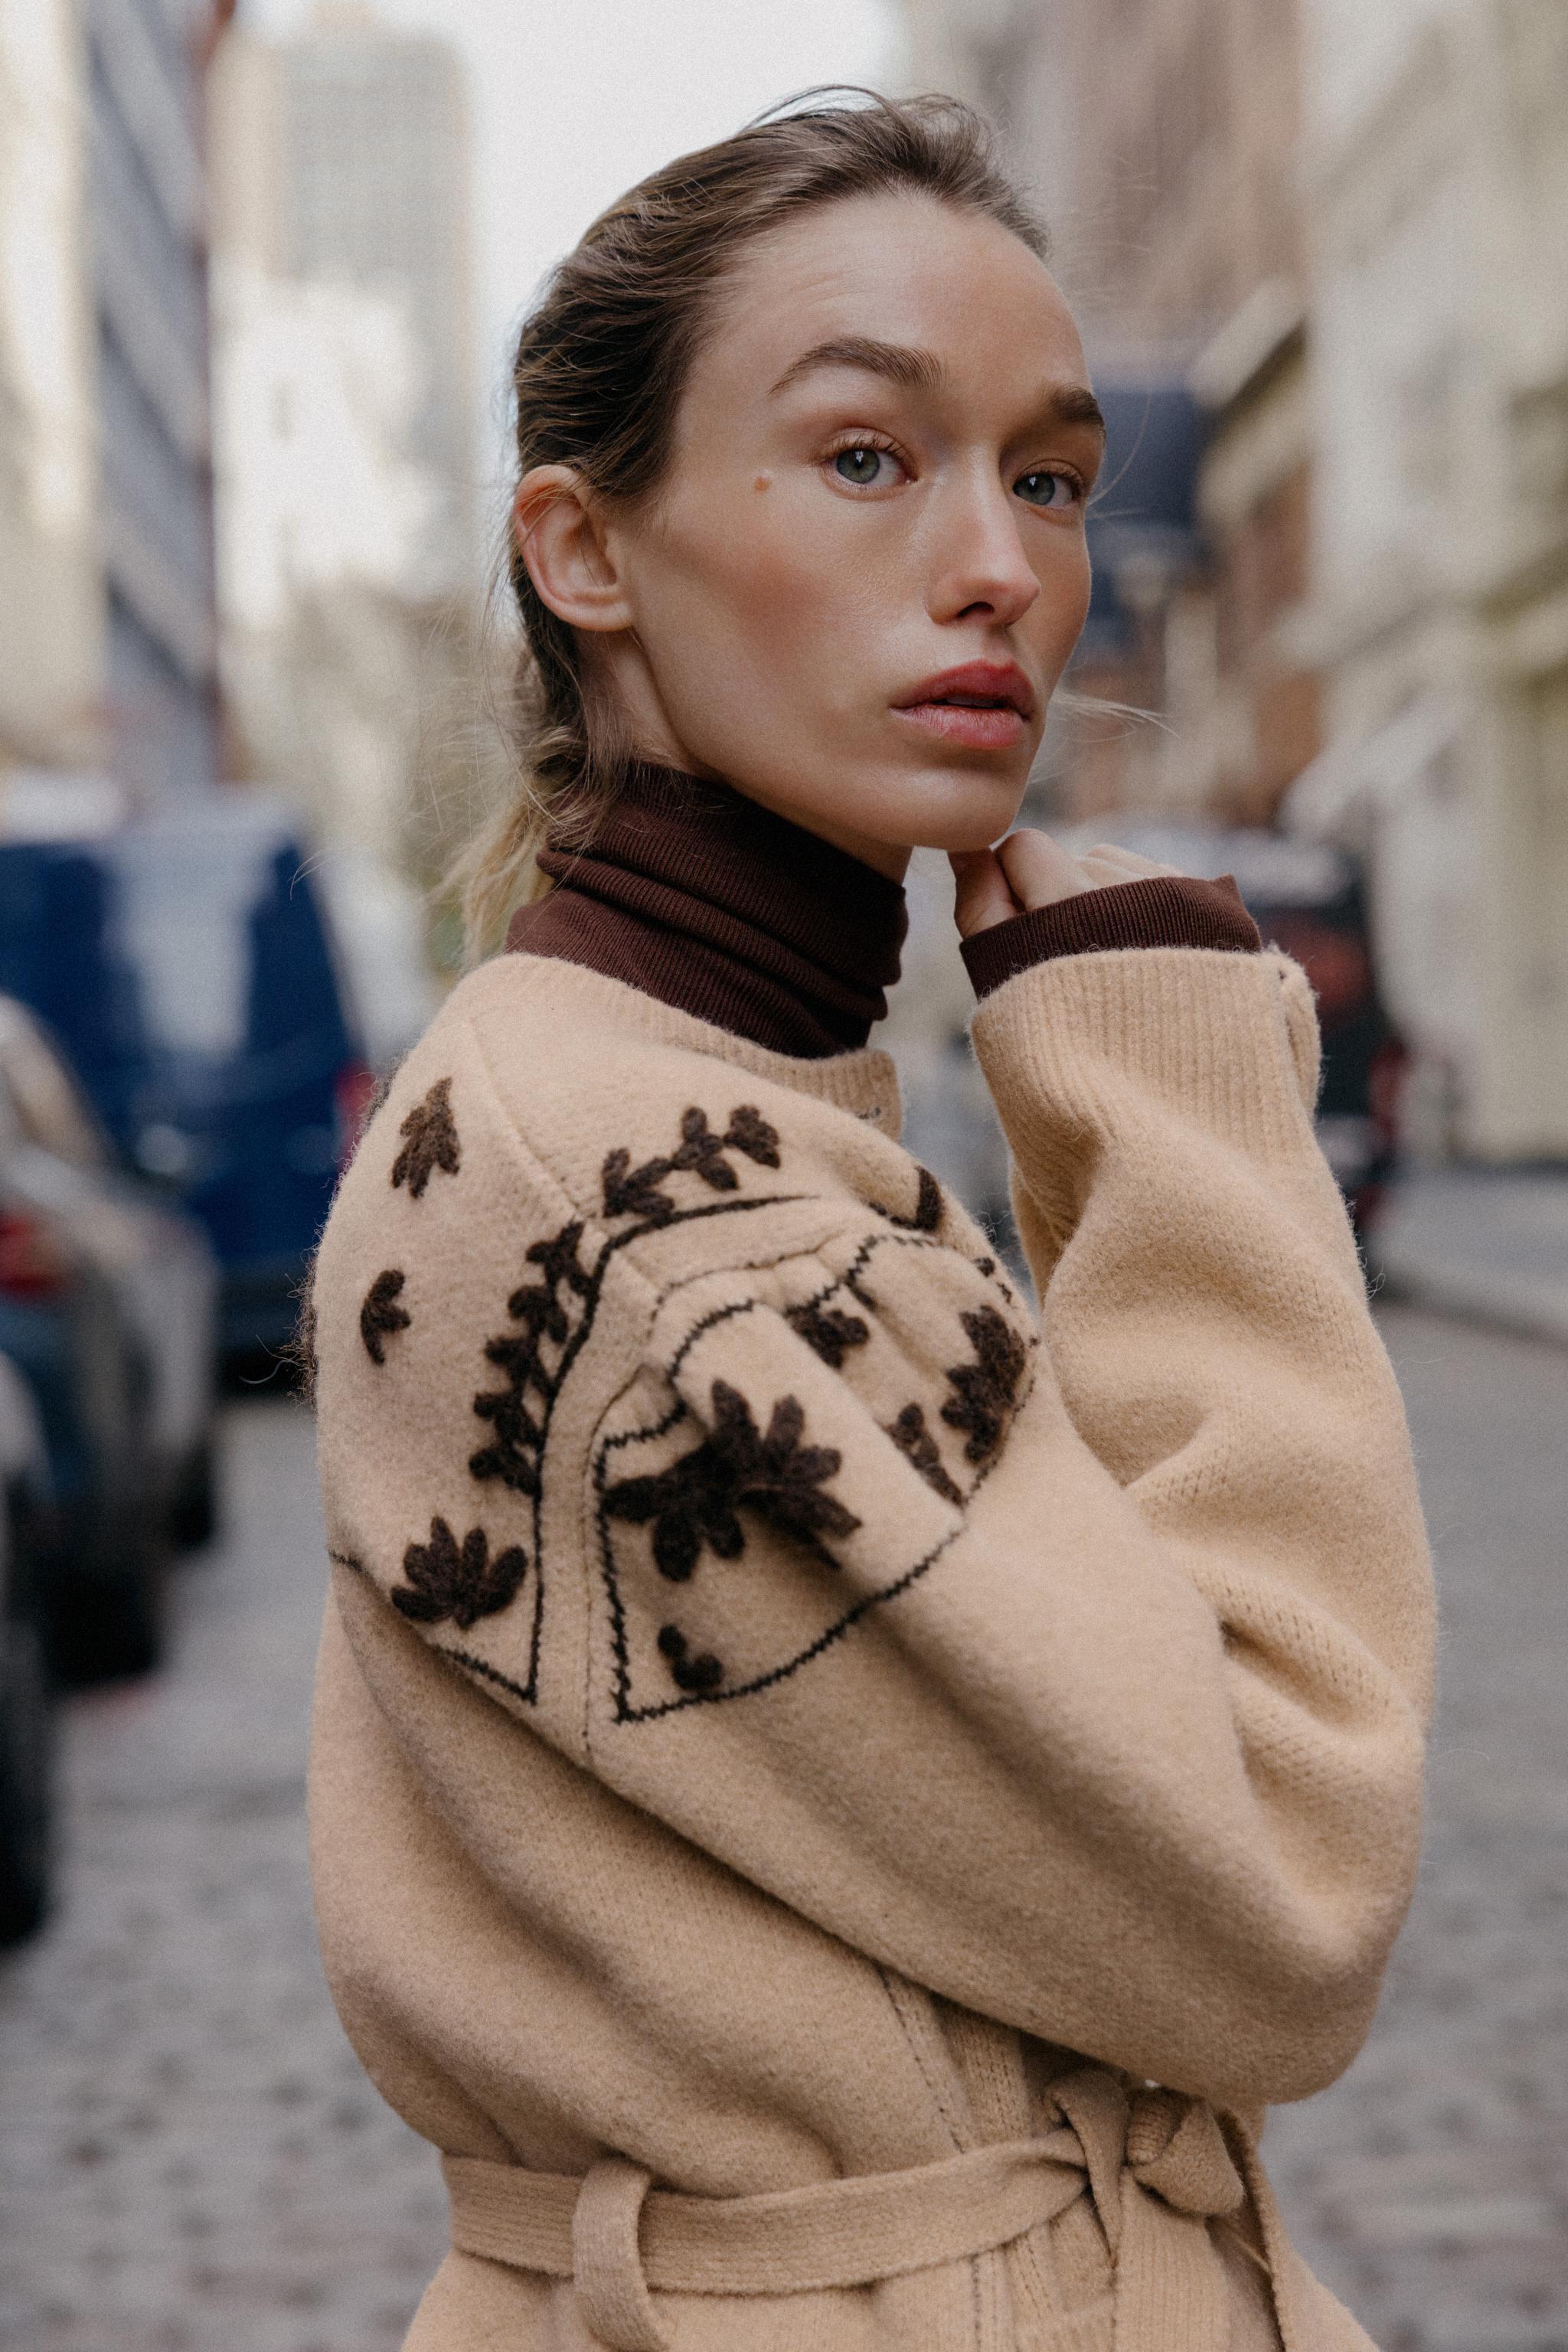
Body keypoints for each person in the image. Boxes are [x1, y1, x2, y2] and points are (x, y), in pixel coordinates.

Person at [306, 94, 1434, 2352]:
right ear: (585, 549)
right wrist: (1178, 1117)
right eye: (863, 458)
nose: (1002, 564)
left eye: (1046, 474)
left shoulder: (660, 1093)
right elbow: (1278, 1886)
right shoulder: (653, 1198)